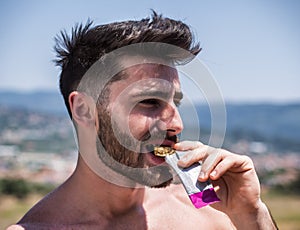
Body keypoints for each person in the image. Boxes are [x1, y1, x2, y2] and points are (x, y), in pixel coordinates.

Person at [8, 11, 278, 229]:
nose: (177, 124)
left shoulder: (213, 214)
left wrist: (252, 215)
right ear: (84, 110)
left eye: (176, 102)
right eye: (150, 101)